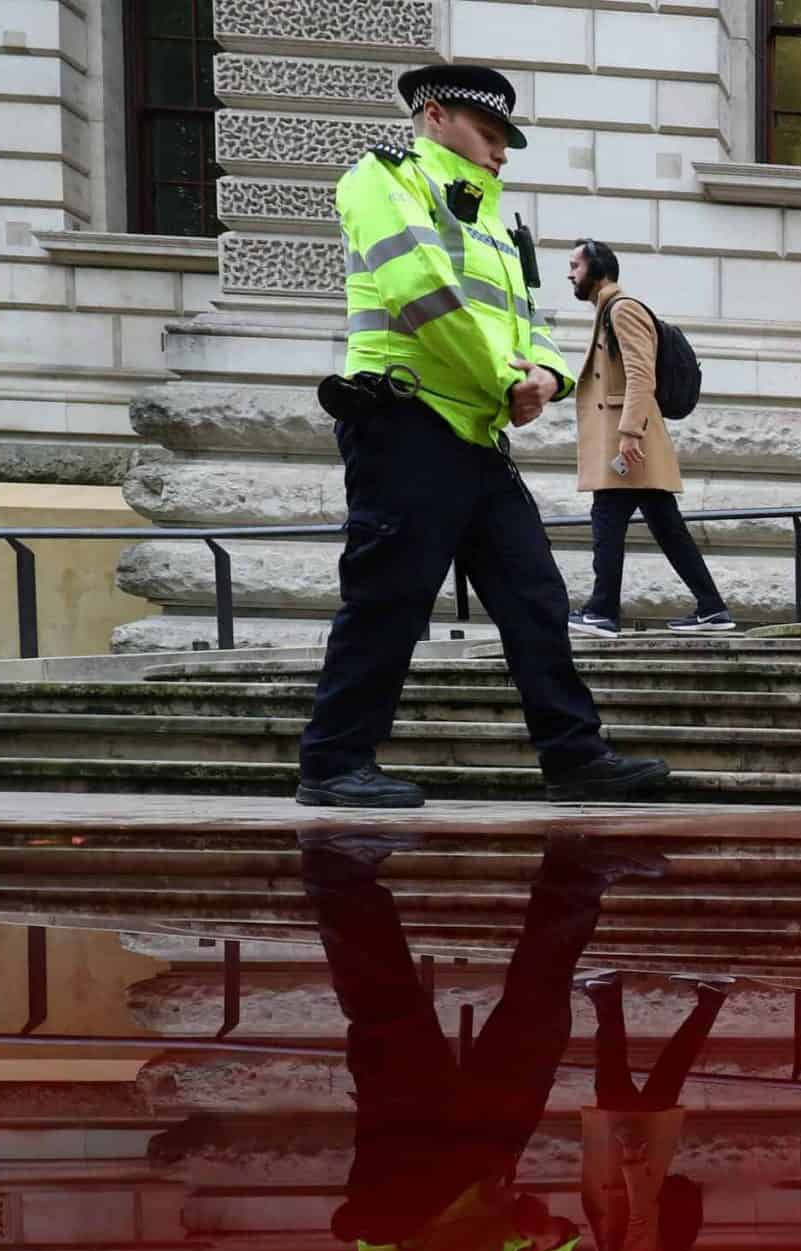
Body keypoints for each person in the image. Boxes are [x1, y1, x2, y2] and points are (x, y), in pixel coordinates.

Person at [297, 64, 667, 809]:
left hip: (475, 438)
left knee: (535, 595)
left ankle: (573, 755)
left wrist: (550, 380)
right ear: (435, 115)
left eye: (506, 141)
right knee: (388, 597)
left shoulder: (501, 223)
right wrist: (509, 382)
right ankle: (334, 761)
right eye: (490, 134)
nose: (501, 153)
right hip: (403, 422)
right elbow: (417, 295)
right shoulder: (381, 179)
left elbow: (533, 328)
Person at [303, 827, 662, 1251]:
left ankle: (337, 871)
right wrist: (550, 1238)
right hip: (474, 1186)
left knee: (391, 1022)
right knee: (535, 1025)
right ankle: (576, 874)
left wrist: (507, 1232)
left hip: (406, 1195)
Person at [563, 239, 733, 636]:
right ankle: (711, 606)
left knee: (607, 518)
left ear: (598, 270)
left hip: (629, 440)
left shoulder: (623, 310)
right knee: (665, 527)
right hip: (632, 440)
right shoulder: (608, 310)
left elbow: (642, 374)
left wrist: (629, 432)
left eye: (575, 265)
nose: (570, 273)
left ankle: (602, 610)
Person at [572, 969, 729, 1251]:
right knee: (613, 1078)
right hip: (636, 1148)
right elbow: (643, 1215)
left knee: (665, 1073)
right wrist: (631, 1158)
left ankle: (710, 997)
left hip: (637, 1150)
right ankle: (606, 993)